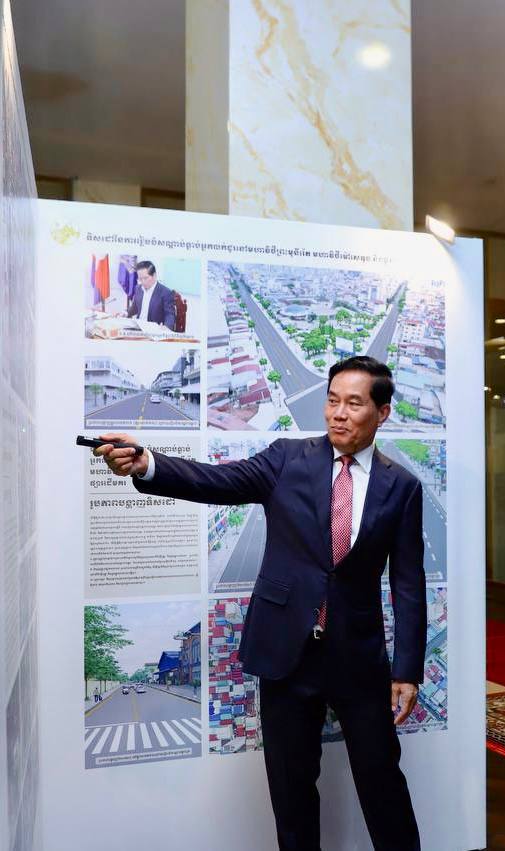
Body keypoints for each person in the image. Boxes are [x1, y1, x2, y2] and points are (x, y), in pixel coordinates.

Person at [95, 356, 424, 851]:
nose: (338, 413)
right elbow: (216, 481)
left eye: (354, 404)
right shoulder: (287, 459)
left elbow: (408, 583)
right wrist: (148, 464)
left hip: (358, 659)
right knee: (291, 792)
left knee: (383, 784)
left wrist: (407, 671)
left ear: (382, 412)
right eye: (332, 400)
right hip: (286, 655)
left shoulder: (402, 486)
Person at [126, 260, 177, 330]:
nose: (143, 282)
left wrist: (166, 327)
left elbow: (170, 314)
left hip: (153, 330)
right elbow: (135, 307)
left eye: (145, 278)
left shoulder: (166, 293)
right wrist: (125, 313)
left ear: (154, 276)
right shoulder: (138, 288)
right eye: (140, 279)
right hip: (137, 327)